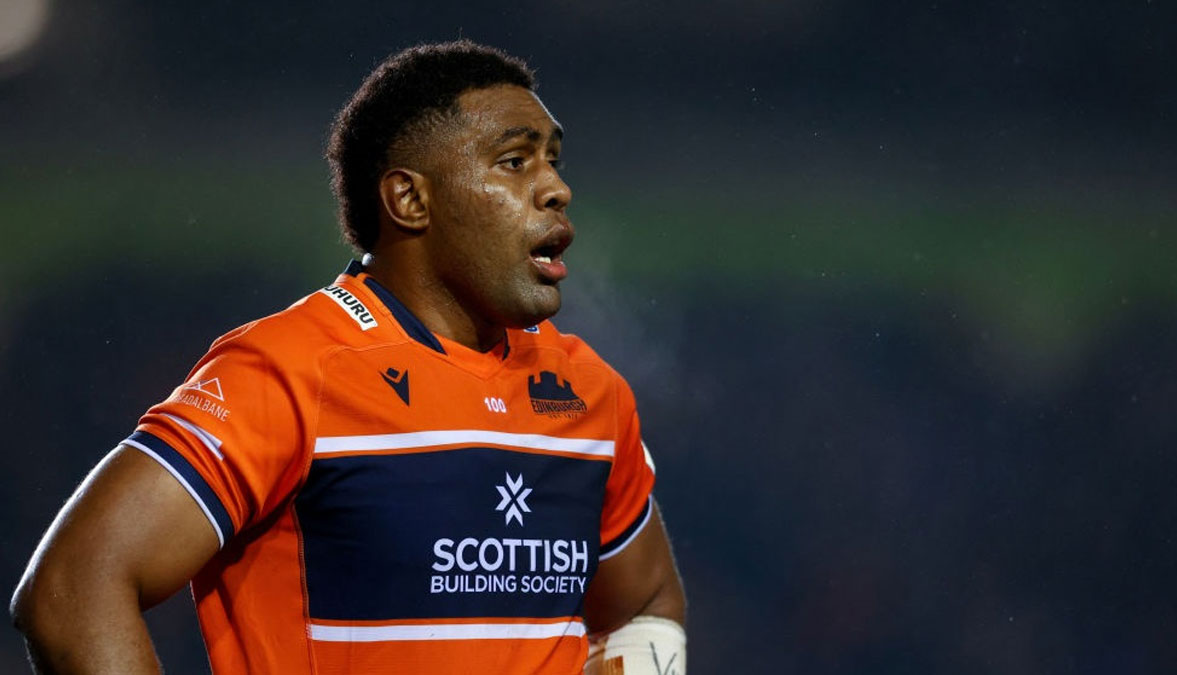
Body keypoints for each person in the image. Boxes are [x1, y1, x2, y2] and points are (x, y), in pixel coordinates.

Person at [11, 40, 686, 674]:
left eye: (554, 161)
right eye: (515, 161)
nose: (556, 188)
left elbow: (646, 601)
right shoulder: (291, 369)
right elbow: (72, 587)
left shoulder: (587, 391)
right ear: (410, 199)